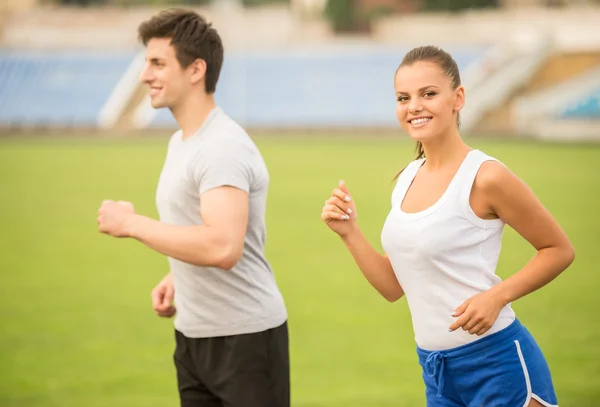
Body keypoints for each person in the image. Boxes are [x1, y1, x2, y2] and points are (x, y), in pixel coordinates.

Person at [320, 45, 575, 407]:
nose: (414, 107)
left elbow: (559, 250)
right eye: (403, 98)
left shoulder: (486, 177)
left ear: (458, 98)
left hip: (498, 367)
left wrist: (496, 296)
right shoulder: (407, 177)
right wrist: (350, 232)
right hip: (438, 373)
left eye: (428, 94)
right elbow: (394, 287)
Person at [97, 9, 289, 407]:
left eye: (157, 63)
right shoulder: (182, 142)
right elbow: (196, 226)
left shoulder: (222, 146)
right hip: (192, 337)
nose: (145, 75)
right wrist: (176, 273)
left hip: (244, 341)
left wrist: (132, 223)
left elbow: (221, 247)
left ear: (195, 70)